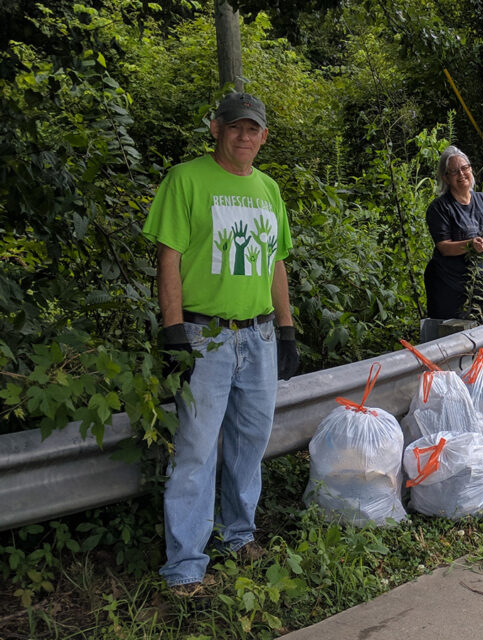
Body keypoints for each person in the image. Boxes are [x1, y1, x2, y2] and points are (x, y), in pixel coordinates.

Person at [142, 91, 299, 597]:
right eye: (235, 127)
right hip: (205, 337)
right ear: (216, 129)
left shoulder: (270, 190)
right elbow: (169, 259)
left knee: (250, 445)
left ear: (264, 136)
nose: (245, 136)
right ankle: (186, 566)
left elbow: (276, 263)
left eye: (253, 129)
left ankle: (237, 537)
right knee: (195, 450)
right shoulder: (185, 180)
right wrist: (174, 331)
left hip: (257, 336)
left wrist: (287, 327)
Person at [423, 146, 483, 323]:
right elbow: (444, 247)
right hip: (451, 292)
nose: (461, 174)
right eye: (454, 171)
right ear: (445, 177)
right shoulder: (439, 208)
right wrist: (470, 245)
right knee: (453, 344)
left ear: (470, 169)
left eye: (464, 168)